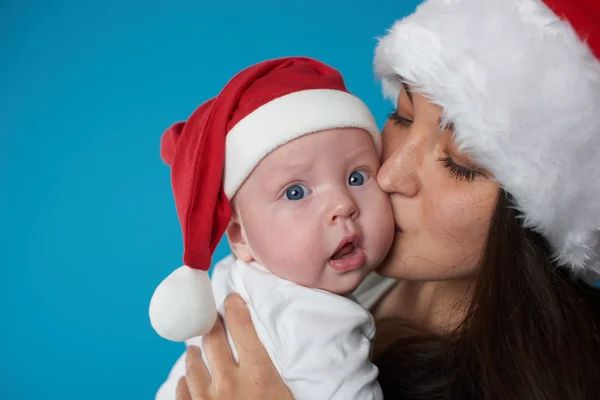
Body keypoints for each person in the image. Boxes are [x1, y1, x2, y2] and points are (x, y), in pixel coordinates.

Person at [169, 0, 600, 399]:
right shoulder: (335, 268)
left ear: (542, 212)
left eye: (459, 163)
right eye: (402, 116)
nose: (388, 174)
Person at [150, 57, 395, 400]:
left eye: (357, 177)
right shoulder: (320, 325)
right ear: (239, 237)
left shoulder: (229, 278)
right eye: (295, 192)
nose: (342, 204)